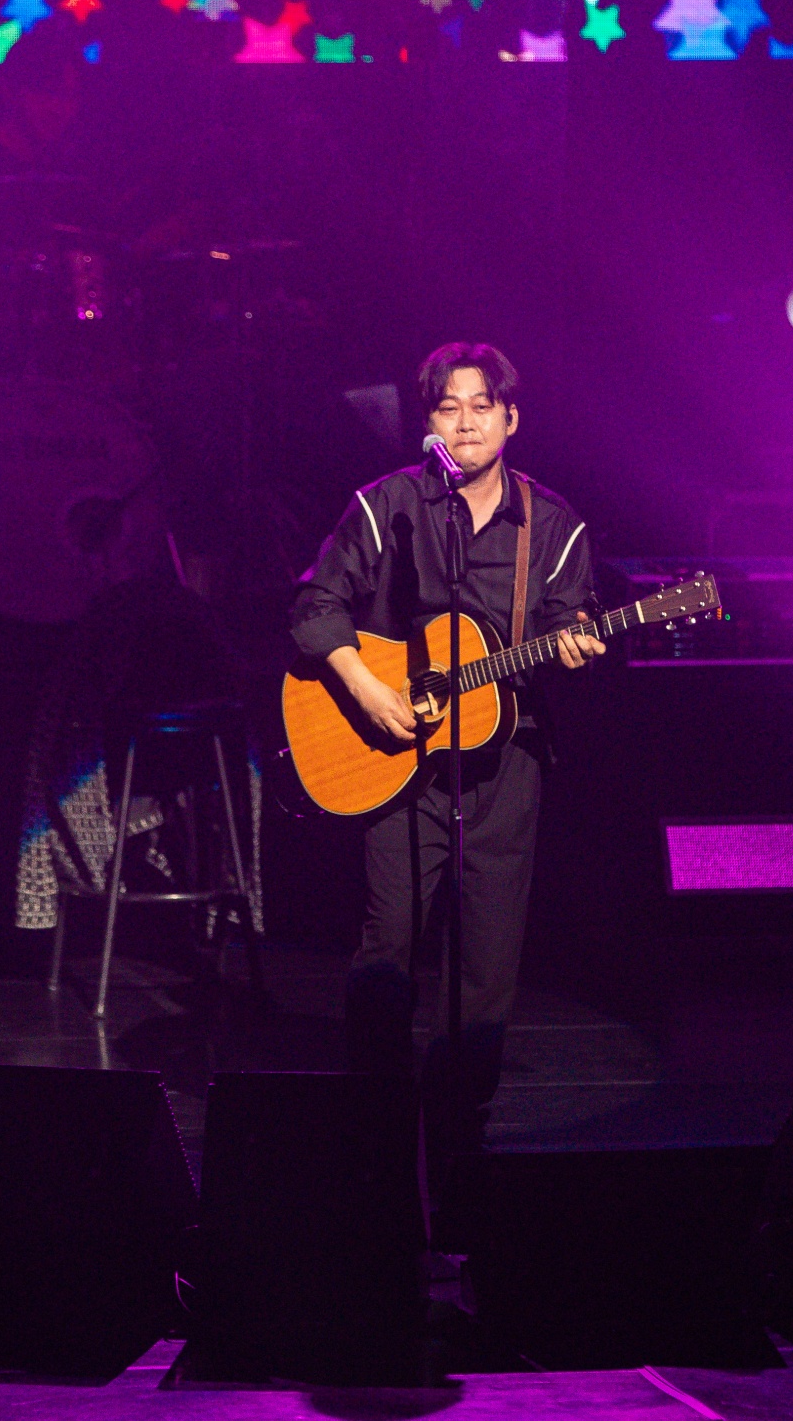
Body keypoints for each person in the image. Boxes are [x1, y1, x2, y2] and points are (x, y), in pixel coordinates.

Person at [289, 343, 602, 1159]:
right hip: (395, 760)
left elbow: (569, 613)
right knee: (389, 941)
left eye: (480, 407)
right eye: (447, 408)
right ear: (428, 421)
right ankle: (375, 1123)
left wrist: (574, 638)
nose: (465, 424)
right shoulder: (386, 505)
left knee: (489, 957)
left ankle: (459, 1126)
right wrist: (366, 687)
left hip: (508, 762)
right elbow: (315, 604)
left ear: (511, 419)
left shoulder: (554, 525)